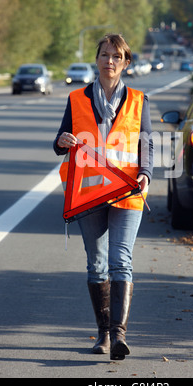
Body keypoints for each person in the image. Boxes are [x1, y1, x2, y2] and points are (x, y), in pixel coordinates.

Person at [53, 34, 153, 360]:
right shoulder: (77, 98)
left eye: (116, 57)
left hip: (127, 192)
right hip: (89, 194)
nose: (109, 61)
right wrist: (63, 141)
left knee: (120, 260)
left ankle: (119, 336)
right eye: (104, 55)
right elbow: (59, 142)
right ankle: (103, 336)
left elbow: (147, 143)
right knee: (97, 266)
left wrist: (146, 173)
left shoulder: (139, 100)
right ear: (97, 59)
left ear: (125, 63)